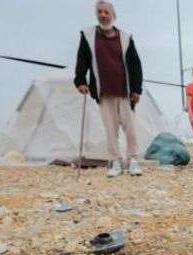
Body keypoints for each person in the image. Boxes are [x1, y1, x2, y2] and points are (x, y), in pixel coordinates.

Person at [74, 0, 144, 177]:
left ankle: (133, 160)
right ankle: (115, 161)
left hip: (125, 91)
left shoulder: (125, 37)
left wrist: (136, 89)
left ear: (113, 15)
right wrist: (80, 80)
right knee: (110, 129)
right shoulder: (88, 36)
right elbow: (82, 59)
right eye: (100, 12)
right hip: (103, 91)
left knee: (130, 129)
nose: (103, 15)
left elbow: (135, 65)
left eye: (106, 12)